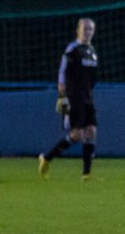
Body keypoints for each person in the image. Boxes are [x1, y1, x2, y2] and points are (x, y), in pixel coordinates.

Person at [39, 18, 98, 180]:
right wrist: (62, 96)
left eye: (91, 30)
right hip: (74, 98)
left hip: (88, 98)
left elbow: (92, 78)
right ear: (78, 30)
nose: (88, 32)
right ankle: (47, 157)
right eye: (85, 29)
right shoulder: (73, 49)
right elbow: (62, 73)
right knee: (76, 135)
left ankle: (86, 173)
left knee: (91, 131)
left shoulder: (92, 51)